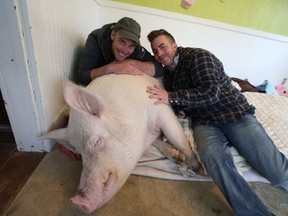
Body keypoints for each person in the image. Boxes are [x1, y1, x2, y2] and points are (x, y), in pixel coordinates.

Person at [146, 29, 288, 216]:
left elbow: (211, 93)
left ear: (174, 45)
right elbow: (181, 101)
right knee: (213, 158)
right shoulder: (169, 75)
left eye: (162, 47)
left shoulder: (198, 56)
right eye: (155, 51)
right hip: (204, 122)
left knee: (276, 172)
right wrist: (179, 108)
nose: (159, 54)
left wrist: (171, 97)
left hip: (233, 112)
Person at [76, 17, 165, 86]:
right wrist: (111, 67)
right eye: (122, 42)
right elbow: (82, 77)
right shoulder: (96, 39)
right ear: (113, 34)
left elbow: (159, 68)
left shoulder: (136, 48)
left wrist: (130, 62)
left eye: (131, 46)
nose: (125, 50)